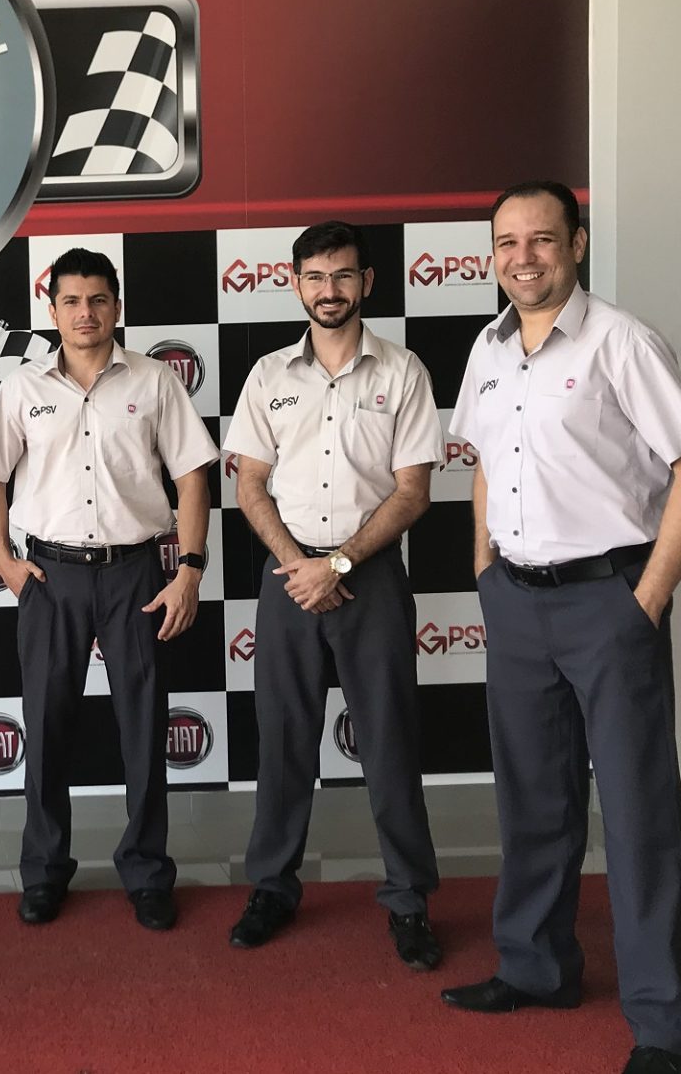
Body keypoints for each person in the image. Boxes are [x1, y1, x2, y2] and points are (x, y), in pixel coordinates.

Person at [441, 182, 681, 1074]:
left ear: (577, 243)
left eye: (541, 239)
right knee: (533, 799)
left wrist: (648, 597)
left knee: (639, 815)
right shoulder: (488, 350)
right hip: (517, 601)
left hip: (610, 600)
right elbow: (485, 462)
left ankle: (666, 1025)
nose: (522, 257)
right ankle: (537, 966)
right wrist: (485, 570)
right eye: (507, 242)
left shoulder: (620, 342)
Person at [0, 247, 219, 931]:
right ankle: (44, 870)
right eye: (72, 301)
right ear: (52, 310)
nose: (86, 313)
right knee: (47, 725)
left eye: (98, 300)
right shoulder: (22, 387)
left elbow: (193, 477)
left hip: (135, 573)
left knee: (143, 726)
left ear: (117, 306)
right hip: (49, 577)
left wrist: (190, 568)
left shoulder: (156, 380)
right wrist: (4, 560)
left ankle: (147, 870)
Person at [225, 221, 445, 969]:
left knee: (389, 742)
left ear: (367, 283)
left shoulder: (403, 371)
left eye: (343, 275)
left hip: (371, 577)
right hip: (288, 579)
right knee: (283, 741)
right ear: (296, 284)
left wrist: (340, 564)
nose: (329, 290)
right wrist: (301, 566)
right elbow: (250, 483)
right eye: (315, 277)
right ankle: (272, 887)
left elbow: (413, 492)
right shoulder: (268, 376)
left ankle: (409, 899)